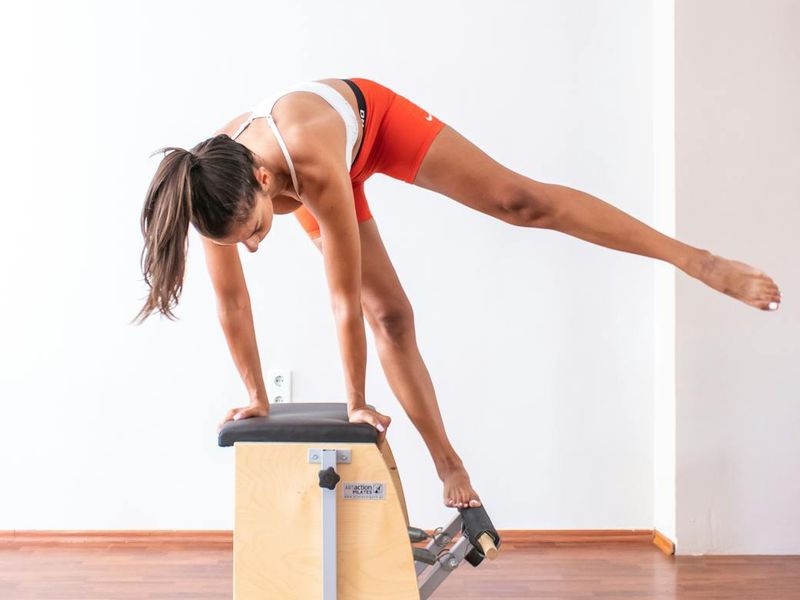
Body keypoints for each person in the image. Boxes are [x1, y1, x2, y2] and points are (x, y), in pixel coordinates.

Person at [135, 77, 782, 509]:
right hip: (304, 176)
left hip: (369, 121)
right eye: (245, 239)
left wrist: (359, 402)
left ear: (262, 177)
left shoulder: (301, 163)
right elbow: (232, 304)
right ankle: (450, 465)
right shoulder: (212, 190)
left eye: (255, 230)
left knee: (518, 201)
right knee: (391, 314)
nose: (252, 246)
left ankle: (696, 261)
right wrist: (253, 397)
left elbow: (340, 298)